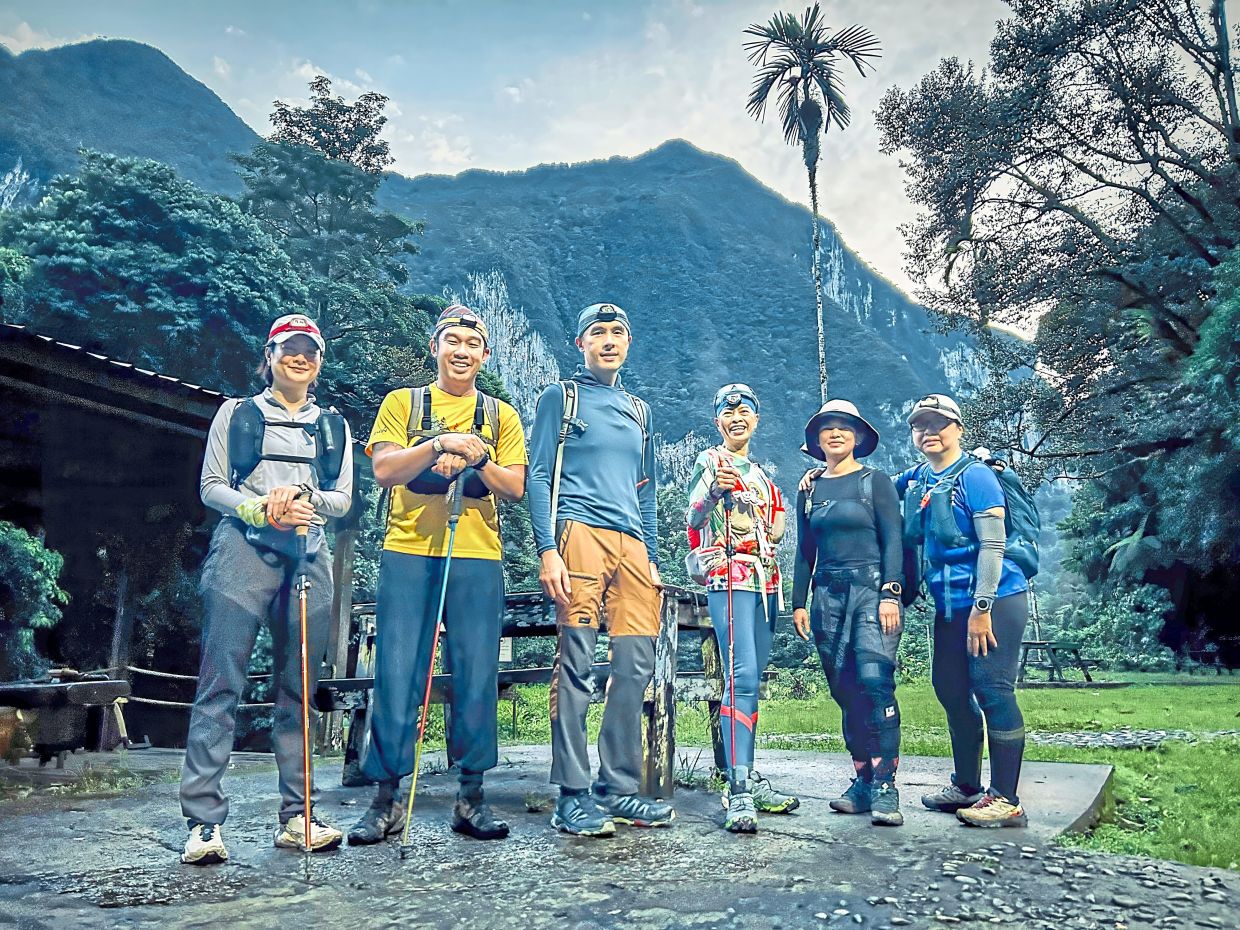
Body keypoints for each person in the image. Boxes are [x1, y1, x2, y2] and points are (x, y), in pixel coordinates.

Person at [348, 305, 527, 844]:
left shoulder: (500, 416)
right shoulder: (403, 404)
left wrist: (476, 460)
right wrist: (439, 444)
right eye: (452, 340)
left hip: (477, 554)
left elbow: (514, 487)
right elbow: (383, 470)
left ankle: (471, 796)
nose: (462, 350)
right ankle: (386, 800)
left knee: (476, 672)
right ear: (435, 348)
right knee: (398, 670)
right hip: (408, 549)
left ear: (485, 354)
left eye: (472, 342)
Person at [181, 314, 353, 864]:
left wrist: (301, 500)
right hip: (242, 547)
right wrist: (259, 506)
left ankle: (298, 816)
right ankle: (204, 823)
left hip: (308, 550)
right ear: (271, 355)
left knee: (298, 688)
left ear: (319, 362)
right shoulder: (237, 414)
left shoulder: (334, 427)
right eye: (290, 349)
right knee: (220, 680)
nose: (300, 358)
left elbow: (343, 498)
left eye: (310, 351)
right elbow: (212, 486)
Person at [527, 302, 674, 837]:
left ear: (628, 343)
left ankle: (619, 788)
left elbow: (648, 489)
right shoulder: (560, 399)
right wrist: (548, 548)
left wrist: (653, 554)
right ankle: (572, 794)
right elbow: (539, 475)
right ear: (580, 344)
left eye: (618, 332)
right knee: (577, 663)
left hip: (633, 545)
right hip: (578, 534)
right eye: (598, 333)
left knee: (636, 664)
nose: (608, 340)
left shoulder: (640, 410)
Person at [895, 394, 1030, 828]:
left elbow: (993, 545)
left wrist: (982, 607)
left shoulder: (976, 477)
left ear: (958, 429)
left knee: (993, 689)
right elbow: (876, 486)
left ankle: (1007, 799)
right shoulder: (919, 478)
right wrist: (822, 475)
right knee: (950, 689)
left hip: (994, 602)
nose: (929, 432)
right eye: (920, 425)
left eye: (939, 424)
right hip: (949, 605)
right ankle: (967, 785)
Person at [685, 384, 798, 833]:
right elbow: (693, 517)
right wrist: (712, 493)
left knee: (752, 680)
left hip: (766, 583)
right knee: (742, 676)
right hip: (729, 576)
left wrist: (786, 512)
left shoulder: (763, 477)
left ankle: (746, 774)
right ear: (718, 422)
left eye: (744, 411)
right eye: (728, 412)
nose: (737, 417)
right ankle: (739, 789)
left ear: (756, 419)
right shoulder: (710, 462)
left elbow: (777, 523)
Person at [791, 399, 906, 826]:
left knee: (875, 683)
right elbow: (806, 550)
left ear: (858, 437)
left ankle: (885, 785)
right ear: (816, 441)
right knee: (843, 688)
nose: (835, 434)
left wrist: (892, 593)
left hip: (871, 589)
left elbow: (894, 539)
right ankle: (861, 781)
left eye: (844, 427)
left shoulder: (876, 482)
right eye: (827, 428)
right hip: (827, 595)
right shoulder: (809, 489)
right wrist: (798, 602)